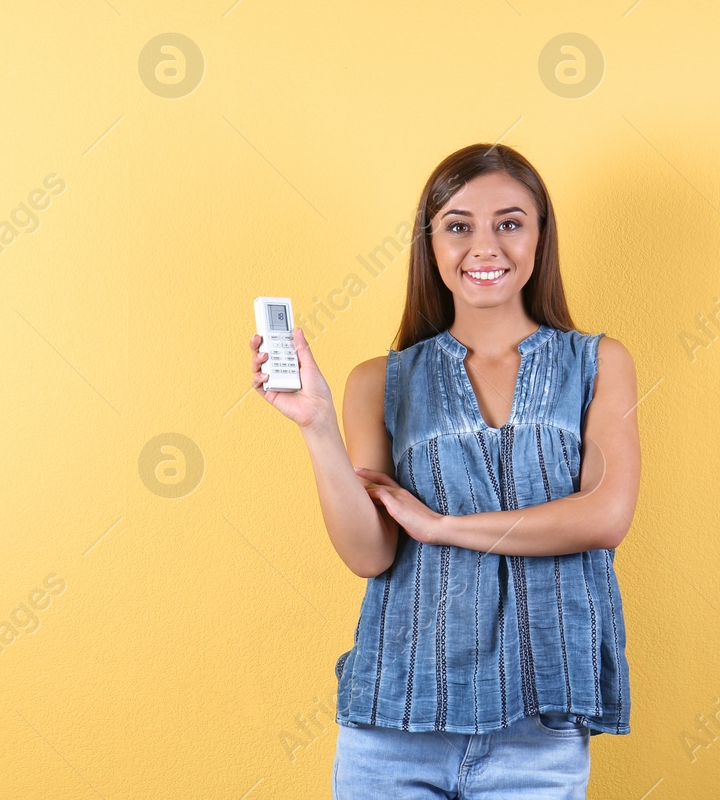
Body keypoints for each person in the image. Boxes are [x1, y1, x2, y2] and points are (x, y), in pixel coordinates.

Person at [249, 142, 641, 799]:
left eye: (510, 222)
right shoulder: (379, 381)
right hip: (394, 722)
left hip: (537, 727)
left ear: (541, 237)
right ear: (429, 244)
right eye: (459, 225)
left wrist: (443, 525)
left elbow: (604, 515)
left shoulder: (599, 362)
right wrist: (316, 425)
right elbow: (370, 552)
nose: (484, 246)